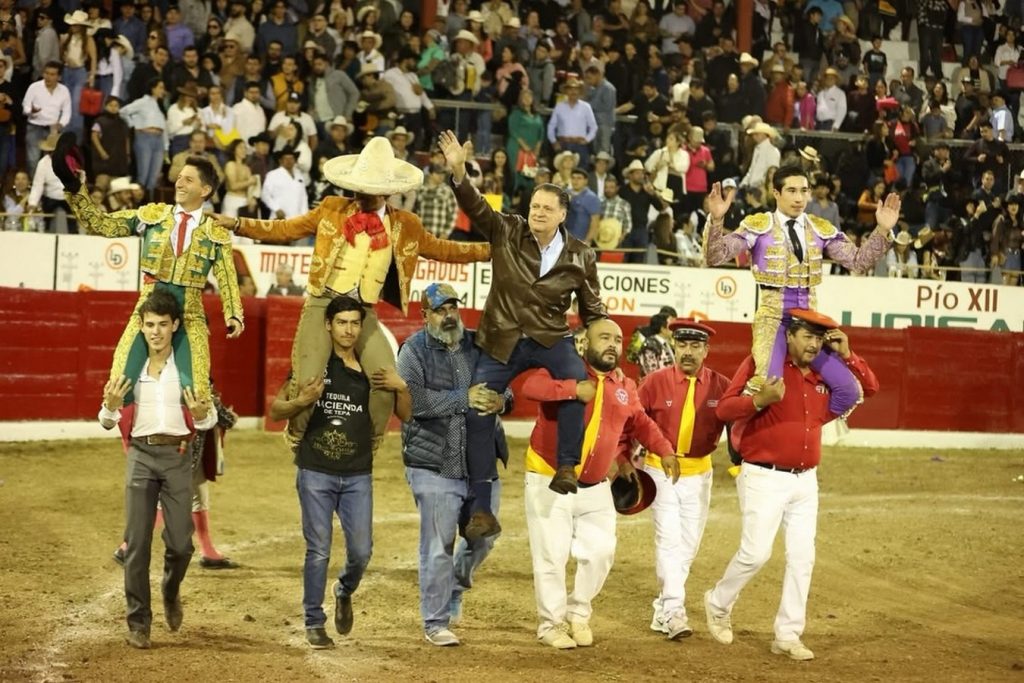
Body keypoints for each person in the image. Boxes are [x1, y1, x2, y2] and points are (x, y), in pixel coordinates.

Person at [215, 137, 489, 456]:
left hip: (363, 310)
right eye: (360, 187)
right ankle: (298, 438)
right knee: (309, 382)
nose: (364, 195)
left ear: (388, 191)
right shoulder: (332, 208)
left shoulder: (406, 224)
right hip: (323, 303)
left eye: (371, 189)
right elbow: (285, 230)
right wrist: (237, 224)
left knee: (386, 380)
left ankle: (367, 447)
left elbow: (445, 249)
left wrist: (492, 251)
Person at [439, 128, 607, 541]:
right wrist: (460, 173)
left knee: (577, 384)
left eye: (548, 208)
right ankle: (480, 510)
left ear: (564, 214)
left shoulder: (581, 254)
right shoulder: (508, 230)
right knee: (478, 409)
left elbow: (592, 308)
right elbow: (476, 208)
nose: (539, 213)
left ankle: (566, 466)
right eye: (535, 206)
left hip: (552, 337)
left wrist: (604, 337)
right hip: (501, 339)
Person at [704, 310, 879, 661]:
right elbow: (723, 410)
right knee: (755, 554)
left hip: (805, 480)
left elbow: (869, 389)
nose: (814, 344)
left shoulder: (823, 374)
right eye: (807, 336)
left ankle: (787, 634)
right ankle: (718, 602)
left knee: (803, 558)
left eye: (819, 338)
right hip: (763, 476)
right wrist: (758, 401)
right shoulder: (762, 364)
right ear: (789, 337)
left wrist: (847, 355)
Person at [521, 318, 679, 649]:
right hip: (549, 477)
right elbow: (530, 388)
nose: (612, 344)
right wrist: (571, 389)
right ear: (584, 343)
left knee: (601, 552)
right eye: (603, 337)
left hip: (595, 486)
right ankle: (551, 624)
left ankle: (578, 612)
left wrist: (664, 450)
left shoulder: (624, 385)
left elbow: (640, 422)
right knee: (552, 555)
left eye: (617, 340)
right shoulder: (564, 366)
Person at [269, 295, 411, 649]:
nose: (348, 330)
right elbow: (276, 409)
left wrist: (403, 387)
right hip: (316, 470)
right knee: (318, 549)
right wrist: (301, 402)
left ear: (361, 328)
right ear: (328, 326)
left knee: (361, 551)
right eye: (342, 323)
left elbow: (405, 415)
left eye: (354, 323)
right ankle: (314, 621)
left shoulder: (371, 371)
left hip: (357, 473)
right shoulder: (314, 367)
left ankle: (344, 589)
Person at [56, 140, 244, 403]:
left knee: (198, 394)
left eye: (188, 180)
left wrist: (234, 313)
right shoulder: (153, 215)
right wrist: (77, 190)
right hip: (148, 309)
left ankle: (194, 441)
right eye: (179, 178)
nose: (179, 183)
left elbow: (227, 279)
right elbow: (103, 225)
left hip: (189, 314)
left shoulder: (216, 232)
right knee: (119, 386)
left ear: (205, 189)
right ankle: (135, 443)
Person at [702, 164, 896, 412]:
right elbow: (714, 256)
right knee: (766, 386)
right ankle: (742, 443)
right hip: (773, 319)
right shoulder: (758, 225)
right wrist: (717, 219)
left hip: (810, 324)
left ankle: (807, 427)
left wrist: (882, 230)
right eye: (792, 191)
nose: (799, 198)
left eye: (804, 191)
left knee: (849, 390)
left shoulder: (819, 228)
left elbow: (858, 261)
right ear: (776, 193)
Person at [98, 289, 216, 649]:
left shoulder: (187, 367)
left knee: (181, 544)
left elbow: (208, 418)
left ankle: (170, 586)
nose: (155, 332)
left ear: (175, 326)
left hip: (178, 456)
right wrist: (110, 408)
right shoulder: (130, 370)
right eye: (149, 325)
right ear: (141, 326)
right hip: (141, 455)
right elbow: (106, 420)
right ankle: (139, 622)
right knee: (136, 543)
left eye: (163, 325)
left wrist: (202, 416)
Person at [397, 283, 510, 647]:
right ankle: (435, 621)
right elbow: (414, 403)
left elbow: (505, 384)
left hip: (479, 466)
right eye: (439, 310)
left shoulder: (477, 343)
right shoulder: (412, 352)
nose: (448, 315)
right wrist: (464, 397)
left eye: (452, 308)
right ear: (425, 315)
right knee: (437, 545)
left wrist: (501, 400)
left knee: (485, 537)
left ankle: (457, 583)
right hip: (433, 464)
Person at [638, 320, 730, 640]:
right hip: (659, 469)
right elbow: (633, 422)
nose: (687, 352)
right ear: (673, 347)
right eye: (682, 345)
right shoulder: (653, 383)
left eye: (695, 346)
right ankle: (675, 610)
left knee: (687, 547)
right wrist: (624, 460)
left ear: (706, 350)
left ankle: (663, 608)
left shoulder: (721, 386)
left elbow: (740, 421)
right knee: (670, 541)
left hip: (700, 473)